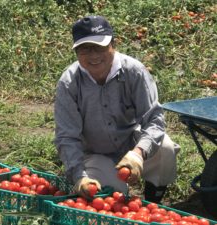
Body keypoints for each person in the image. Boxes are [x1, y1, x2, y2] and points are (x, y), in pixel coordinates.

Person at [54, 15, 180, 203]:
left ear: (113, 44)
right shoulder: (69, 83)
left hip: (131, 142)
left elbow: (154, 119)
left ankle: (154, 199)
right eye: (85, 49)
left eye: (100, 47)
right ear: (76, 52)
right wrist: (79, 175)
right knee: (111, 195)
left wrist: (139, 153)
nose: (94, 56)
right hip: (94, 152)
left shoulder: (134, 72)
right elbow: (67, 136)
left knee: (165, 149)